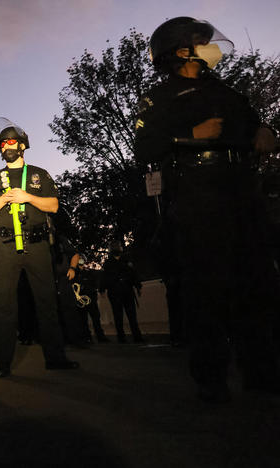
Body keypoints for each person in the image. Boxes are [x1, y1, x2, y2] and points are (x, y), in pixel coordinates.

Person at [134, 17, 279, 402]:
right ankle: (211, 380)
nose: (208, 45)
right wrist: (188, 137)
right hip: (197, 195)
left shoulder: (227, 91)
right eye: (199, 41)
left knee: (257, 283)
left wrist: (264, 130)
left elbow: (254, 125)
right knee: (206, 290)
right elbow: (144, 149)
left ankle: (262, 375)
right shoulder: (160, 97)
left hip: (242, 191)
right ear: (181, 50)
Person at [0, 118, 78, 378]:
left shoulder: (38, 174)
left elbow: (53, 206)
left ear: (22, 145)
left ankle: (55, 358)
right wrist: (4, 198)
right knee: (4, 306)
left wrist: (27, 197)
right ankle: (2, 362)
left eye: (11, 141)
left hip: (37, 244)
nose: (6, 147)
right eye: (2, 144)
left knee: (46, 302)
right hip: (6, 246)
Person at [100, 242, 144, 344]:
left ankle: (137, 336)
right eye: (115, 247)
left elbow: (133, 274)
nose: (117, 248)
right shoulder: (108, 263)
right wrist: (102, 289)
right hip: (115, 293)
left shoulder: (126, 261)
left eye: (118, 246)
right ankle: (121, 338)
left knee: (132, 316)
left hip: (127, 291)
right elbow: (104, 277)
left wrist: (138, 286)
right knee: (118, 316)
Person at [75, 257, 109, 343]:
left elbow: (94, 284)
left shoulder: (89, 273)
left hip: (91, 299)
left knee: (96, 319)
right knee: (84, 320)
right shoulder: (75, 274)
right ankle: (88, 337)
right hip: (82, 300)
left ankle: (99, 336)